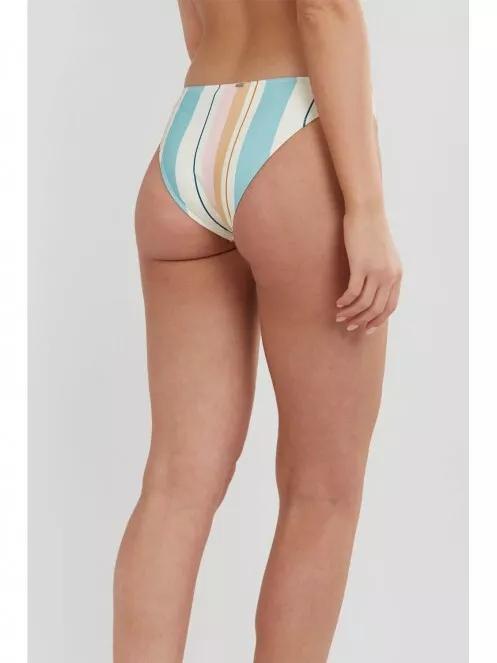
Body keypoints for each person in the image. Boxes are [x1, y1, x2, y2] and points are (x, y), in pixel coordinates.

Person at [114, 1, 402, 661]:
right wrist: (364, 207)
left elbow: (194, 27)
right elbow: (323, 9)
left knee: (174, 484)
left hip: (192, 132)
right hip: (292, 132)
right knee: (321, 491)